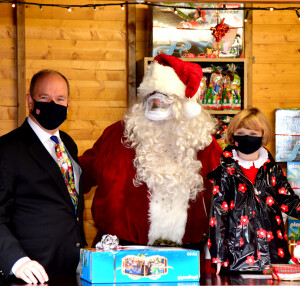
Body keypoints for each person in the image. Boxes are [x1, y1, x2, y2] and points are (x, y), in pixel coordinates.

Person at [79, 54, 222, 254]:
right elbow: (80, 173)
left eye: (165, 99)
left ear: (184, 105)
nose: (157, 104)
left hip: (187, 255)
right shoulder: (118, 135)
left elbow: (226, 193)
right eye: (151, 98)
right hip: (122, 250)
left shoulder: (204, 144)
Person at [0, 70, 86, 284]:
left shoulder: (68, 144)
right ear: (30, 101)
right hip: (30, 276)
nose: (53, 104)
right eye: (44, 98)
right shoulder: (8, 149)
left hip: (74, 271)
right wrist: (16, 261)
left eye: (59, 99)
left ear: (68, 104)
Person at [207, 107, 300, 274]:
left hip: (273, 253)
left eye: (252, 133)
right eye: (241, 133)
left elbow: (288, 201)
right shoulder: (225, 172)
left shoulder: (273, 170)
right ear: (233, 135)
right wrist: (219, 254)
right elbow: (218, 214)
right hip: (236, 257)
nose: (246, 138)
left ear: (263, 136)